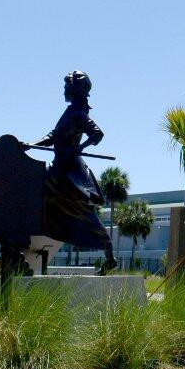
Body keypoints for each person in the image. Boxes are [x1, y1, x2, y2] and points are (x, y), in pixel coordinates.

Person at [33, 71, 117, 272]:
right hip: (58, 168)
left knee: (83, 214)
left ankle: (109, 255)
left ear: (74, 89)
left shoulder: (79, 113)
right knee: (43, 200)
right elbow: (54, 135)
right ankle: (38, 243)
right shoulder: (69, 111)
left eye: (66, 87)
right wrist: (31, 144)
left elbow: (97, 134)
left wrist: (80, 148)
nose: (64, 90)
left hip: (71, 173)